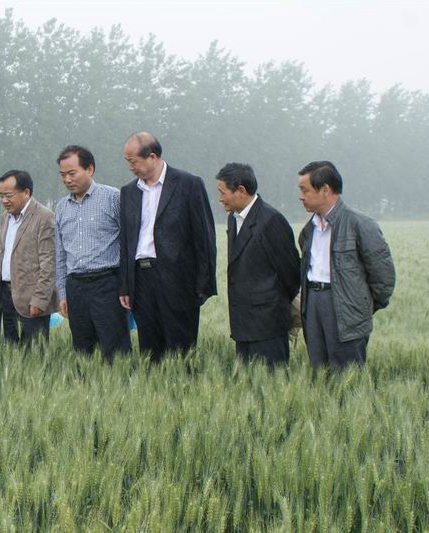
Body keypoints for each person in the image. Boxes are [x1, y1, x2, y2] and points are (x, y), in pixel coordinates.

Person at [119, 132, 216, 361]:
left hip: (178, 279)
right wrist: (125, 285)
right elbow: (126, 241)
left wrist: (203, 285)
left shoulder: (189, 184)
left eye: (134, 161)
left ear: (152, 156)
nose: (131, 167)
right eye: (128, 162)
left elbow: (204, 237)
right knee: (149, 350)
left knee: (181, 350)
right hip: (141, 280)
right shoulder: (129, 192)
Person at [297, 161, 395, 368]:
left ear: (325, 190)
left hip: (345, 311)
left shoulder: (361, 225)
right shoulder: (308, 231)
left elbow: (383, 279)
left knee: (347, 376)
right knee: (319, 372)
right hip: (313, 305)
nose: (301, 196)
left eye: (305, 190)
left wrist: (359, 309)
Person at [215, 163, 300, 365]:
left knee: (272, 380)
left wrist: (272, 302)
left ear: (241, 190)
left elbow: (291, 273)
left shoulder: (272, 221)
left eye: (223, 192)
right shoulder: (233, 219)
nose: (220, 198)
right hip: (242, 324)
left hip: (268, 325)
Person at [54, 145, 131, 361]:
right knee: (82, 349)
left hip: (107, 284)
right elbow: (60, 254)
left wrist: (127, 286)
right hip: (75, 286)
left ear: (90, 169)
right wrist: (62, 293)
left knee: (115, 349)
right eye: (63, 175)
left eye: (72, 173)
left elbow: (129, 243)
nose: (67, 179)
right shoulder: (61, 207)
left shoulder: (113, 198)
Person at [0, 170, 58, 345]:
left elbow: (49, 262)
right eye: (1, 196)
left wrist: (40, 299)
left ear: (26, 192)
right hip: (7, 293)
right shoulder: (6, 217)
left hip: (31, 297)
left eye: (8, 195)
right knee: (11, 346)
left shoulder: (44, 217)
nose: (4, 200)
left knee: (33, 350)